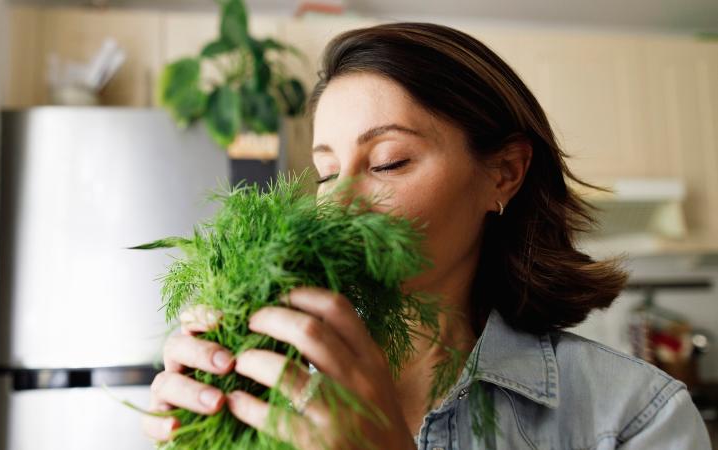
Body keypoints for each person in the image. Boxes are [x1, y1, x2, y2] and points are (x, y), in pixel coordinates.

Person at [142, 22, 711, 449]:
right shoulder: (267, 380)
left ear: (503, 173)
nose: (337, 203)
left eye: (388, 161)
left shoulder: (634, 416)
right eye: (326, 172)